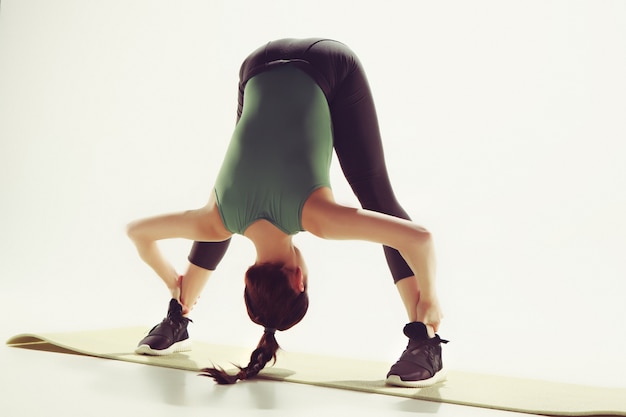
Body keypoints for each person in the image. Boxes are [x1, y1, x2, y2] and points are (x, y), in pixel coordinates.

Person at [127, 38, 447, 388]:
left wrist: (430, 300)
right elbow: (137, 233)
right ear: (249, 274)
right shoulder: (218, 219)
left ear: (299, 280)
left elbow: (418, 238)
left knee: (376, 195)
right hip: (256, 65)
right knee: (216, 220)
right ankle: (179, 310)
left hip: (328, 64)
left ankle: (425, 337)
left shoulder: (318, 218)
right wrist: (174, 282)